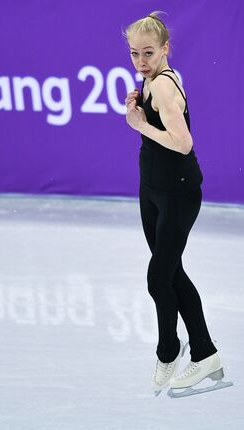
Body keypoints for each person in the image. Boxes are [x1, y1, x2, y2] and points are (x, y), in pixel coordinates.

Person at [123, 12, 231, 396]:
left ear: (166, 49)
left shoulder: (166, 86)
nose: (141, 61)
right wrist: (140, 110)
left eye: (148, 52)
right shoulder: (149, 79)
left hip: (178, 193)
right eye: (134, 53)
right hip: (151, 188)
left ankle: (170, 349)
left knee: (158, 278)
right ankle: (204, 353)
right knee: (170, 274)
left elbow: (183, 143)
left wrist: (141, 126)